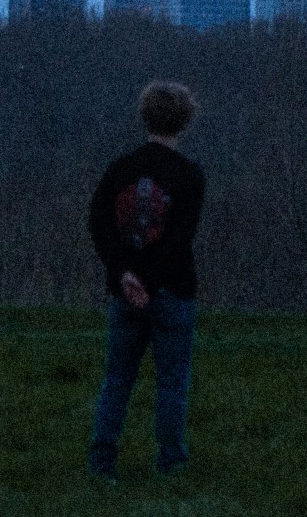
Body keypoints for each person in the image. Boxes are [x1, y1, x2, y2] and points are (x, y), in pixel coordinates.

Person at [86, 80, 205, 482]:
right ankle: (171, 465)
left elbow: (98, 223)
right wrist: (149, 282)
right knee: (171, 382)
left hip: (124, 294)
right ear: (185, 122)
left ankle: (102, 462)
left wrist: (125, 275)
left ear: (144, 116)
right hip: (172, 291)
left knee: (117, 379)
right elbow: (178, 238)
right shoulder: (189, 176)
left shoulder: (120, 169)